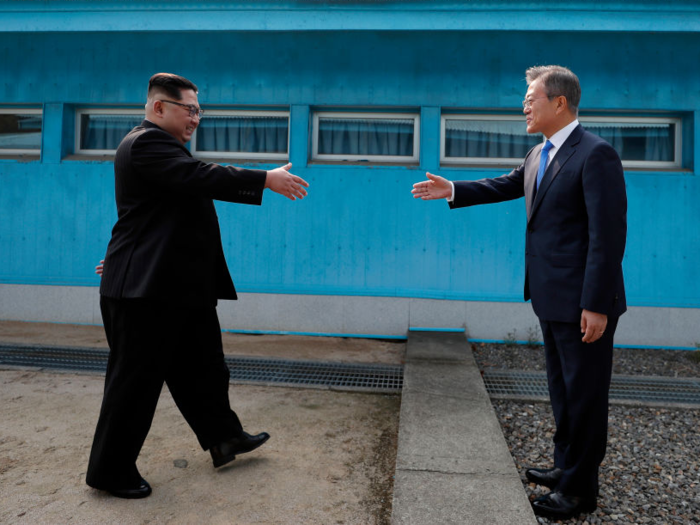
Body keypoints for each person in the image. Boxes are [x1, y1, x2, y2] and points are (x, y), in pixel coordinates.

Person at [411, 65, 627, 520]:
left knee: (585, 397)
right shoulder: (538, 154)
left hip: (584, 302)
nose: (524, 106)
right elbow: (505, 185)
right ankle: (565, 466)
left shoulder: (596, 154)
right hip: (550, 296)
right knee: (563, 392)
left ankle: (578, 492)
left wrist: (595, 304)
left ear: (560, 102)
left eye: (532, 97)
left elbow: (607, 236)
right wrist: (453, 188)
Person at [86, 73, 309, 499]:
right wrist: (264, 178)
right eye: (189, 109)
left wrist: (124, 258)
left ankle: (225, 439)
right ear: (158, 108)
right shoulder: (146, 142)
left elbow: (154, 217)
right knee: (134, 385)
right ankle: (110, 471)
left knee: (205, 370)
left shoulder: (166, 151)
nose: (196, 119)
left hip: (173, 285)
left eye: (199, 111)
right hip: (146, 294)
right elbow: (201, 176)